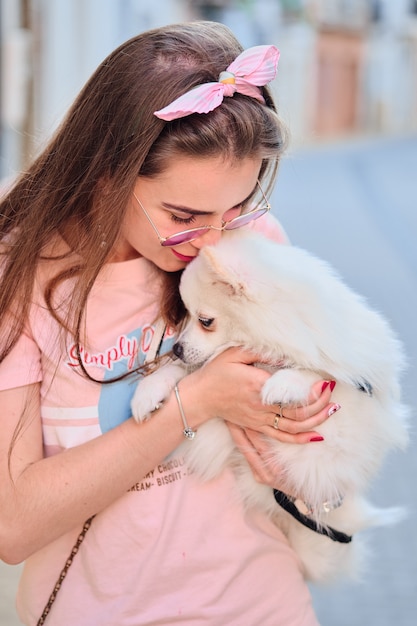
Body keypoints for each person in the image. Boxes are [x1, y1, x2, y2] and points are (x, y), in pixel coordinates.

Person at [0, 21, 341, 626]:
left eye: (234, 208)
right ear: (106, 174)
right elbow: (14, 525)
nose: (212, 240)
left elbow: (320, 433)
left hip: (264, 606)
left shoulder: (247, 243)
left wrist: (309, 440)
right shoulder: (19, 272)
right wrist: (196, 402)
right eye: (184, 214)